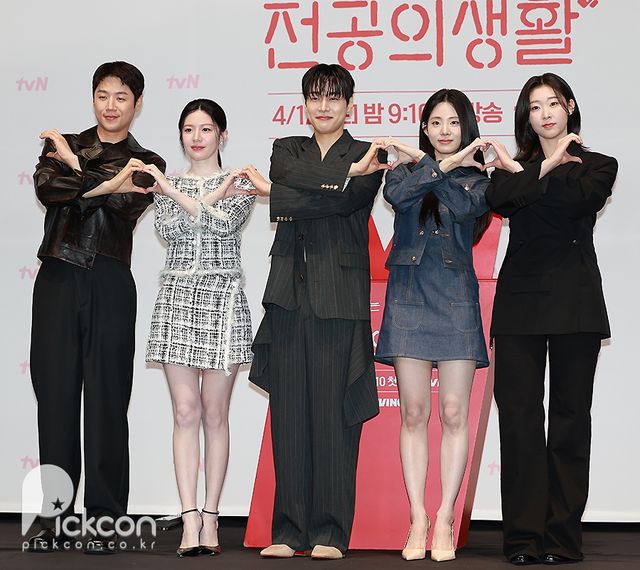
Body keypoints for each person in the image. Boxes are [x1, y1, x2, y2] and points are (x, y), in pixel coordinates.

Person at [241, 63, 388, 560]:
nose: (323, 106)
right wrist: (338, 179)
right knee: (289, 415)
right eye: (315, 97)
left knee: (333, 415)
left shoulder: (369, 153)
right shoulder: (287, 148)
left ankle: (329, 532)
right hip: (287, 294)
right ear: (304, 104)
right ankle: (288, 531)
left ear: (349, 105)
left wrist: (280, 195)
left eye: (333, 98)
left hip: (338, 296)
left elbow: (339, 204)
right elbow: (287, 177)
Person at [29, 61, 166, 554]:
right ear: (93, 98)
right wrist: (85, 172)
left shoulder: (148, 160)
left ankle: (106, 520)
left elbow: (127, 204)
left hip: (110, 281)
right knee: (56, 400)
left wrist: (77, 171)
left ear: (137, 104)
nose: (111, 106)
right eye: (103, 95)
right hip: (58, 278)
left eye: (121, 97)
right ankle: (55, 520)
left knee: (108, 402)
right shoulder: (62, 144)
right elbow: (49, 191)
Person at [483, 73, 618, 566]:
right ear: (527, 116)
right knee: (519, 421)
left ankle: (562, 538)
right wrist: (535, 171)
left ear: (570, 108)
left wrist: (536, 175)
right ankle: (522, 539)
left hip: (574, 303)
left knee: (569, 421)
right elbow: (499, 201)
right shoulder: (509, 169)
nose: (545, 113)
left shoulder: (599, 165)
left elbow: (573, 203)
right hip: (519, 305)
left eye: (553, 103)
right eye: (535, 106)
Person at [375, 89, 492, 562]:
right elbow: (398, 197)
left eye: (454, 123)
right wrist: (433, 165)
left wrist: (439, 166)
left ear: (466, 129)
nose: (445, 131)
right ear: (424, 128)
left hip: (455, 297)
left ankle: (445, 517)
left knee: (454, 411)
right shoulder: (403, 172)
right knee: (414, 412)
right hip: (408, 295)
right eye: (437, 122)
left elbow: (465, 210)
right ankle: (418, 517)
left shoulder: (478, 179)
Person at [140, 99, 255, 557]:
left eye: (206, 129)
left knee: (214, 414)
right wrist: (185, 192)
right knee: (184, 413)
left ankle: (211, 515)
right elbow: (171, 232)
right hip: (176, 300)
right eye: (189, 129)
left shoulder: (241, 182)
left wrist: (180, 193)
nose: (197, 137)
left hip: (222, 300)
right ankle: (189, 518)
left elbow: (223, 227)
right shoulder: (166, 185)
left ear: (222, 135)